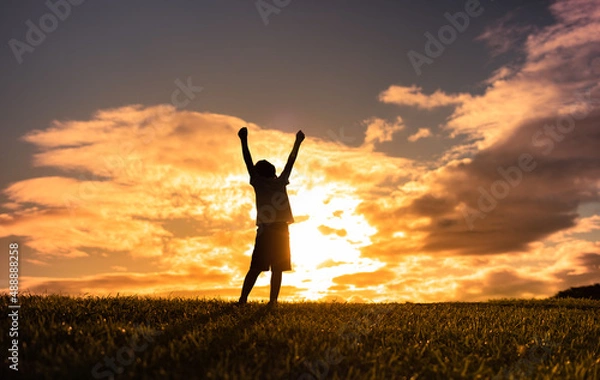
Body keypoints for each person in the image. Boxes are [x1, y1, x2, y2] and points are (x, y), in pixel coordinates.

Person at [237, 126, 305, 305]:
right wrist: (297, 143)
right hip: (280, 230)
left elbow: (247, 161)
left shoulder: (260, 181)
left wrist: (243, 140)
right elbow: (291, 161)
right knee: (275, 269)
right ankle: (270, 301)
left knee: (259, 268)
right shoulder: (279, 181)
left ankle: (245, 300)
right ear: (273, 172)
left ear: (259, 173)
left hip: (269, 231)